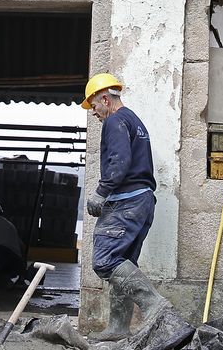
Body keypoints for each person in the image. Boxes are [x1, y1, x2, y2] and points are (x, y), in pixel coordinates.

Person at [82, 72, 170, 342]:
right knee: (124, 262)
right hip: (142, 202)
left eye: (94, 106)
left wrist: (100, 192)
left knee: (105, 260)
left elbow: (119, 161)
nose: (94, 113)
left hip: (126, 201)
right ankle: (119, 327)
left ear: (105, 100)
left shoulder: (115, 121)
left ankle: (154, 304)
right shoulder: (134, 120)